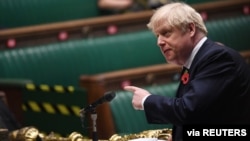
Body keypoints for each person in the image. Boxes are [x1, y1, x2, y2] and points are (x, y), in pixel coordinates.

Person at [124, 2, 250, 141]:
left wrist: (146, 100)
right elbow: (201, 116)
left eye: (166, 33)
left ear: (190, 29)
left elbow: (189, 110)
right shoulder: (197, 61)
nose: (159, 42)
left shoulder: (217, 59)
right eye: (158, 36)